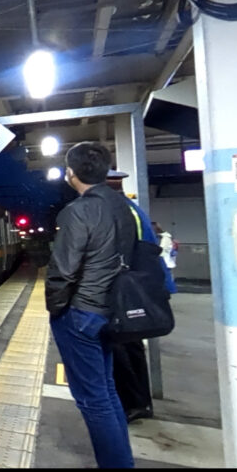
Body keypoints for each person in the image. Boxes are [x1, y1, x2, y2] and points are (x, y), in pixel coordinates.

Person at [47, 142, 135, 469]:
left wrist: (57, 310)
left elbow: (63, 270)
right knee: (107, 393)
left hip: (81, 313)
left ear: (71, 173)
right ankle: (121, 461)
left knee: (93, 401)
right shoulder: (122, 207)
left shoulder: (77, 211)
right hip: (111, 312)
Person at [106, 171, 176, 423]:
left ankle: (131, 405)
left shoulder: (118, 211)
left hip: (131, 289)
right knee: (132, 346)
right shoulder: (132, 208)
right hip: (142, 285)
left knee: (120, 346)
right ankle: (140, 402)